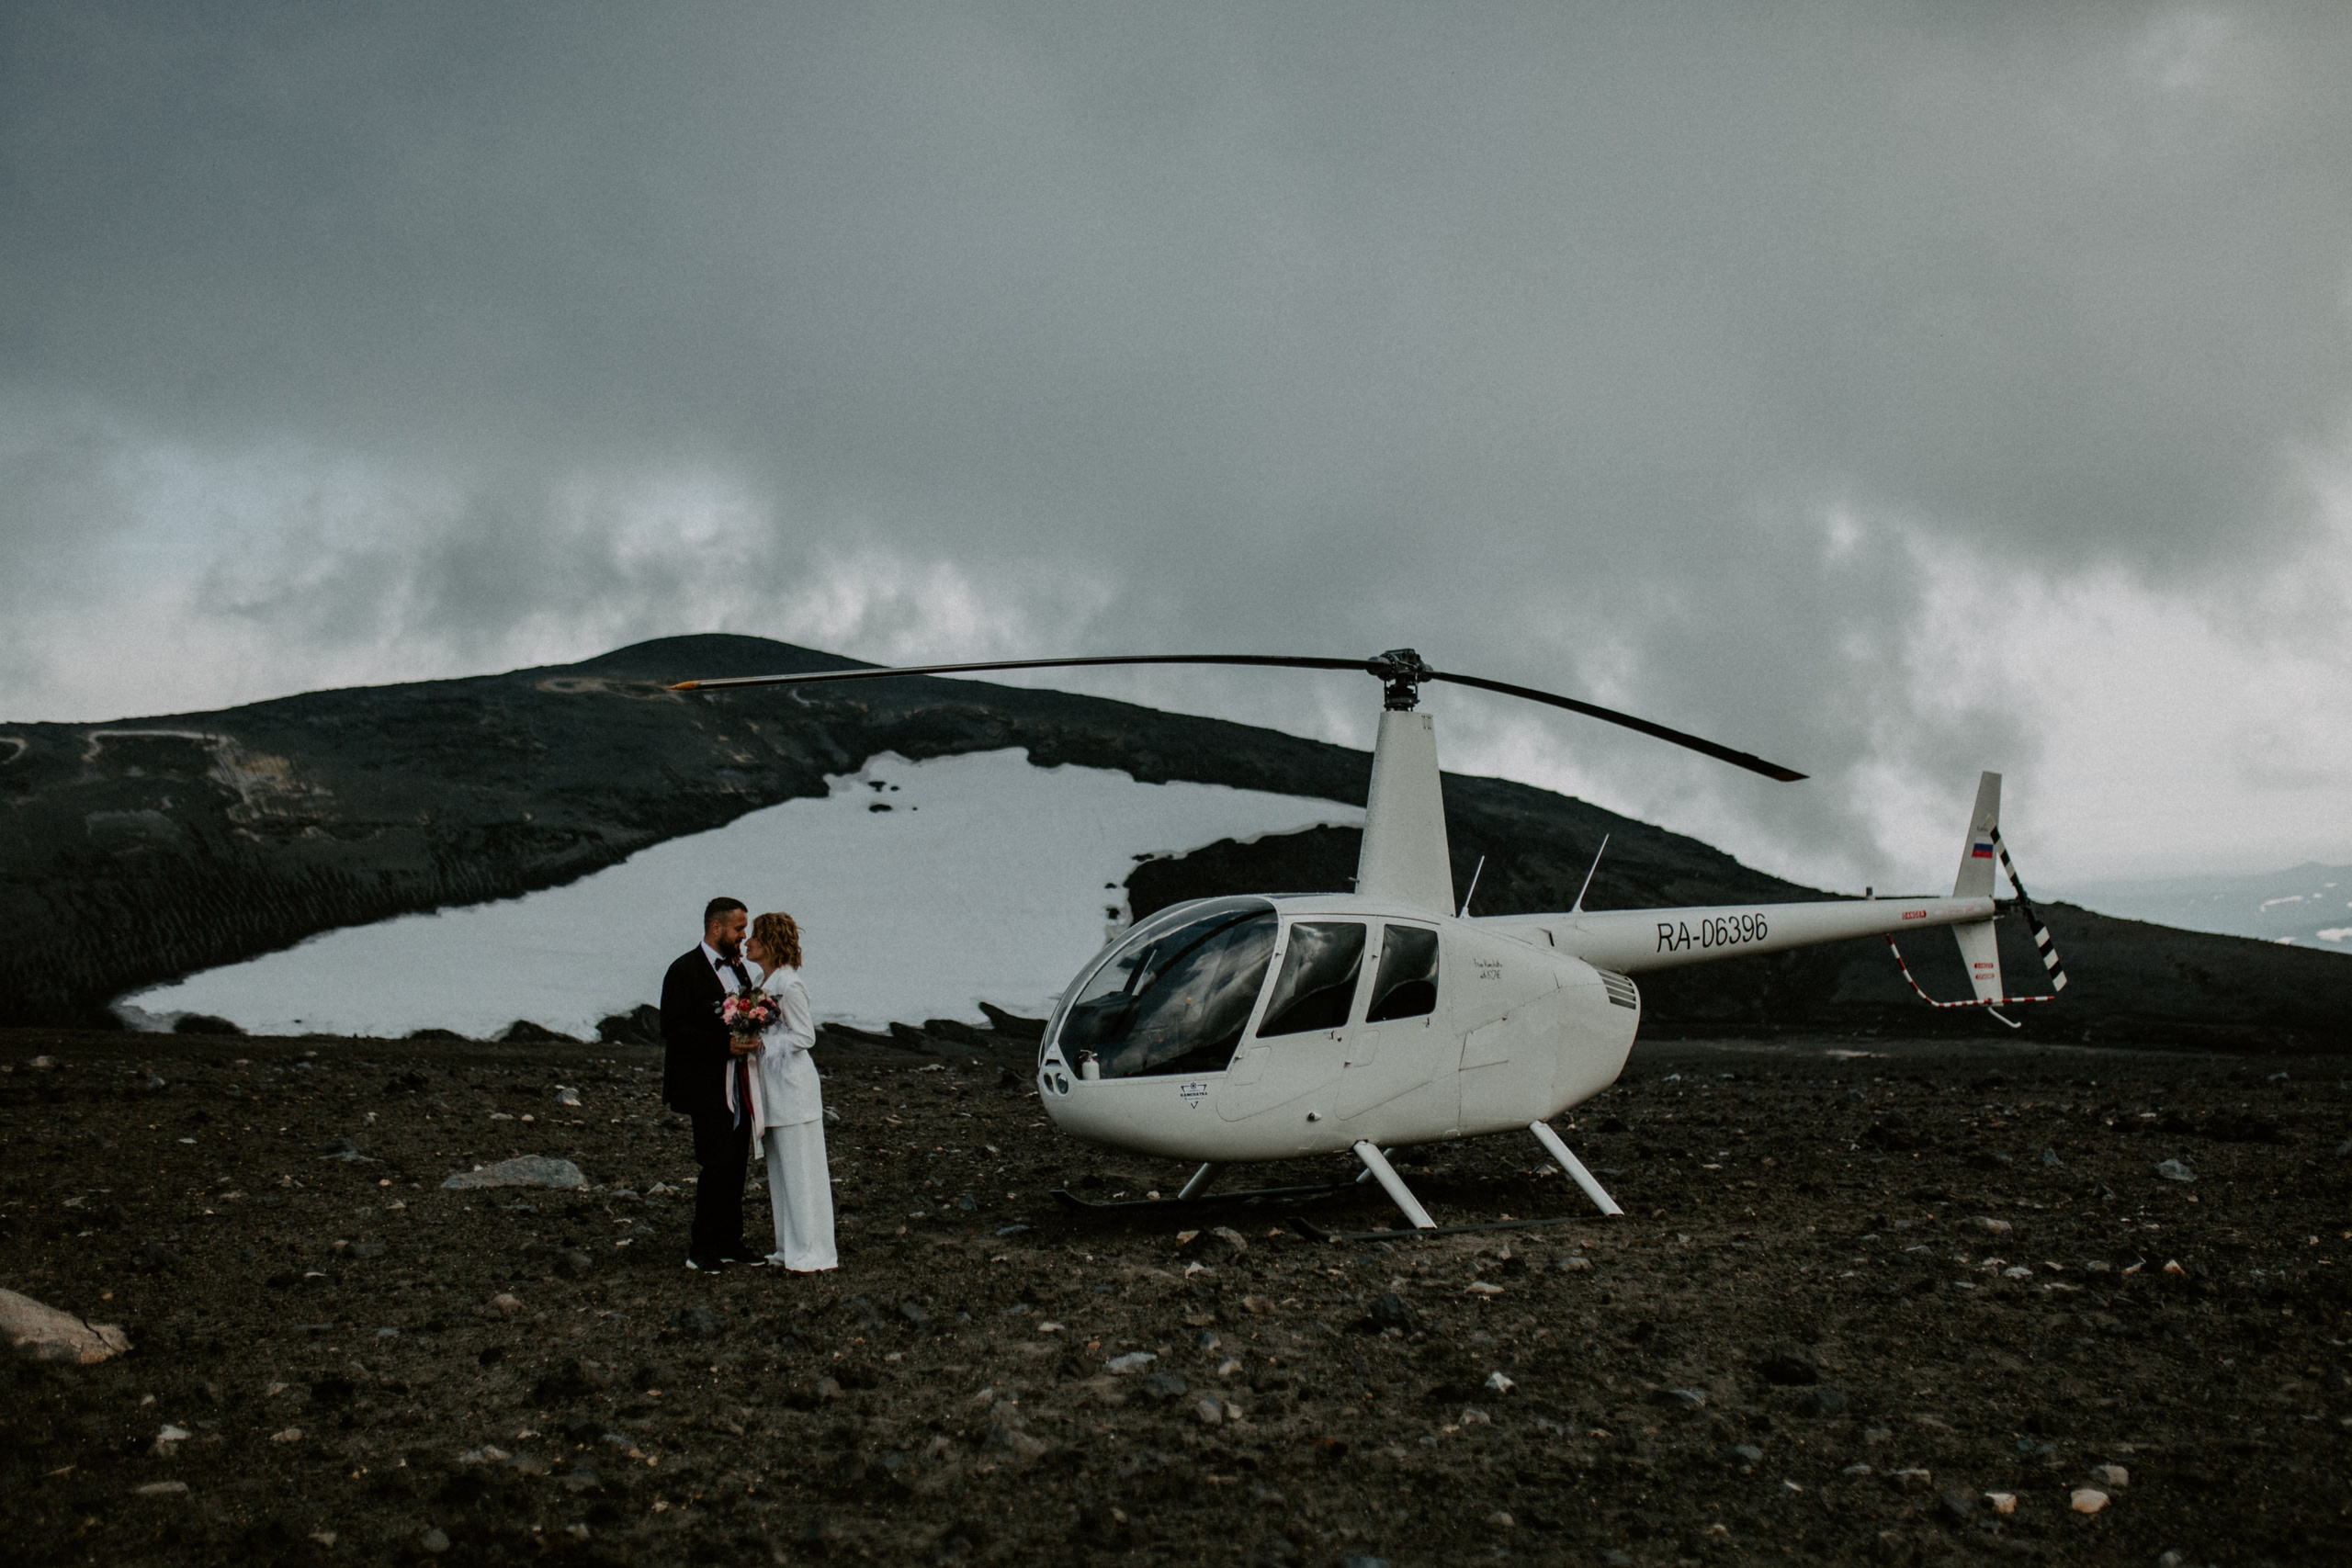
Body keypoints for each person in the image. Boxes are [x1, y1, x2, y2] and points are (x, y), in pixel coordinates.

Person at [660, 897, 760, 1272]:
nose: (743, 936)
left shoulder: (739, 971)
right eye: (738, 928)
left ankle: (731, 1241)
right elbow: (671, 1027)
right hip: (705, 1086)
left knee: (736, 1165)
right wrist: (723, 1045)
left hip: (739, 1085)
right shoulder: (683, 970)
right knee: (715, 1163)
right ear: (716, 928)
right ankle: (701, 1250)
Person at [742, 910, 837, 1271]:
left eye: (754, 936)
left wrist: (761, 1041)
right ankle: (788, 1245)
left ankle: (813, 1249)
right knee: (781, 1172)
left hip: (794, 1090)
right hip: (771, 1089)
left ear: (770, 943)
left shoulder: (790, 985)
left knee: (802, 1171)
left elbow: (804, 1036)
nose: (748, 942)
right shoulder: (760, 981)